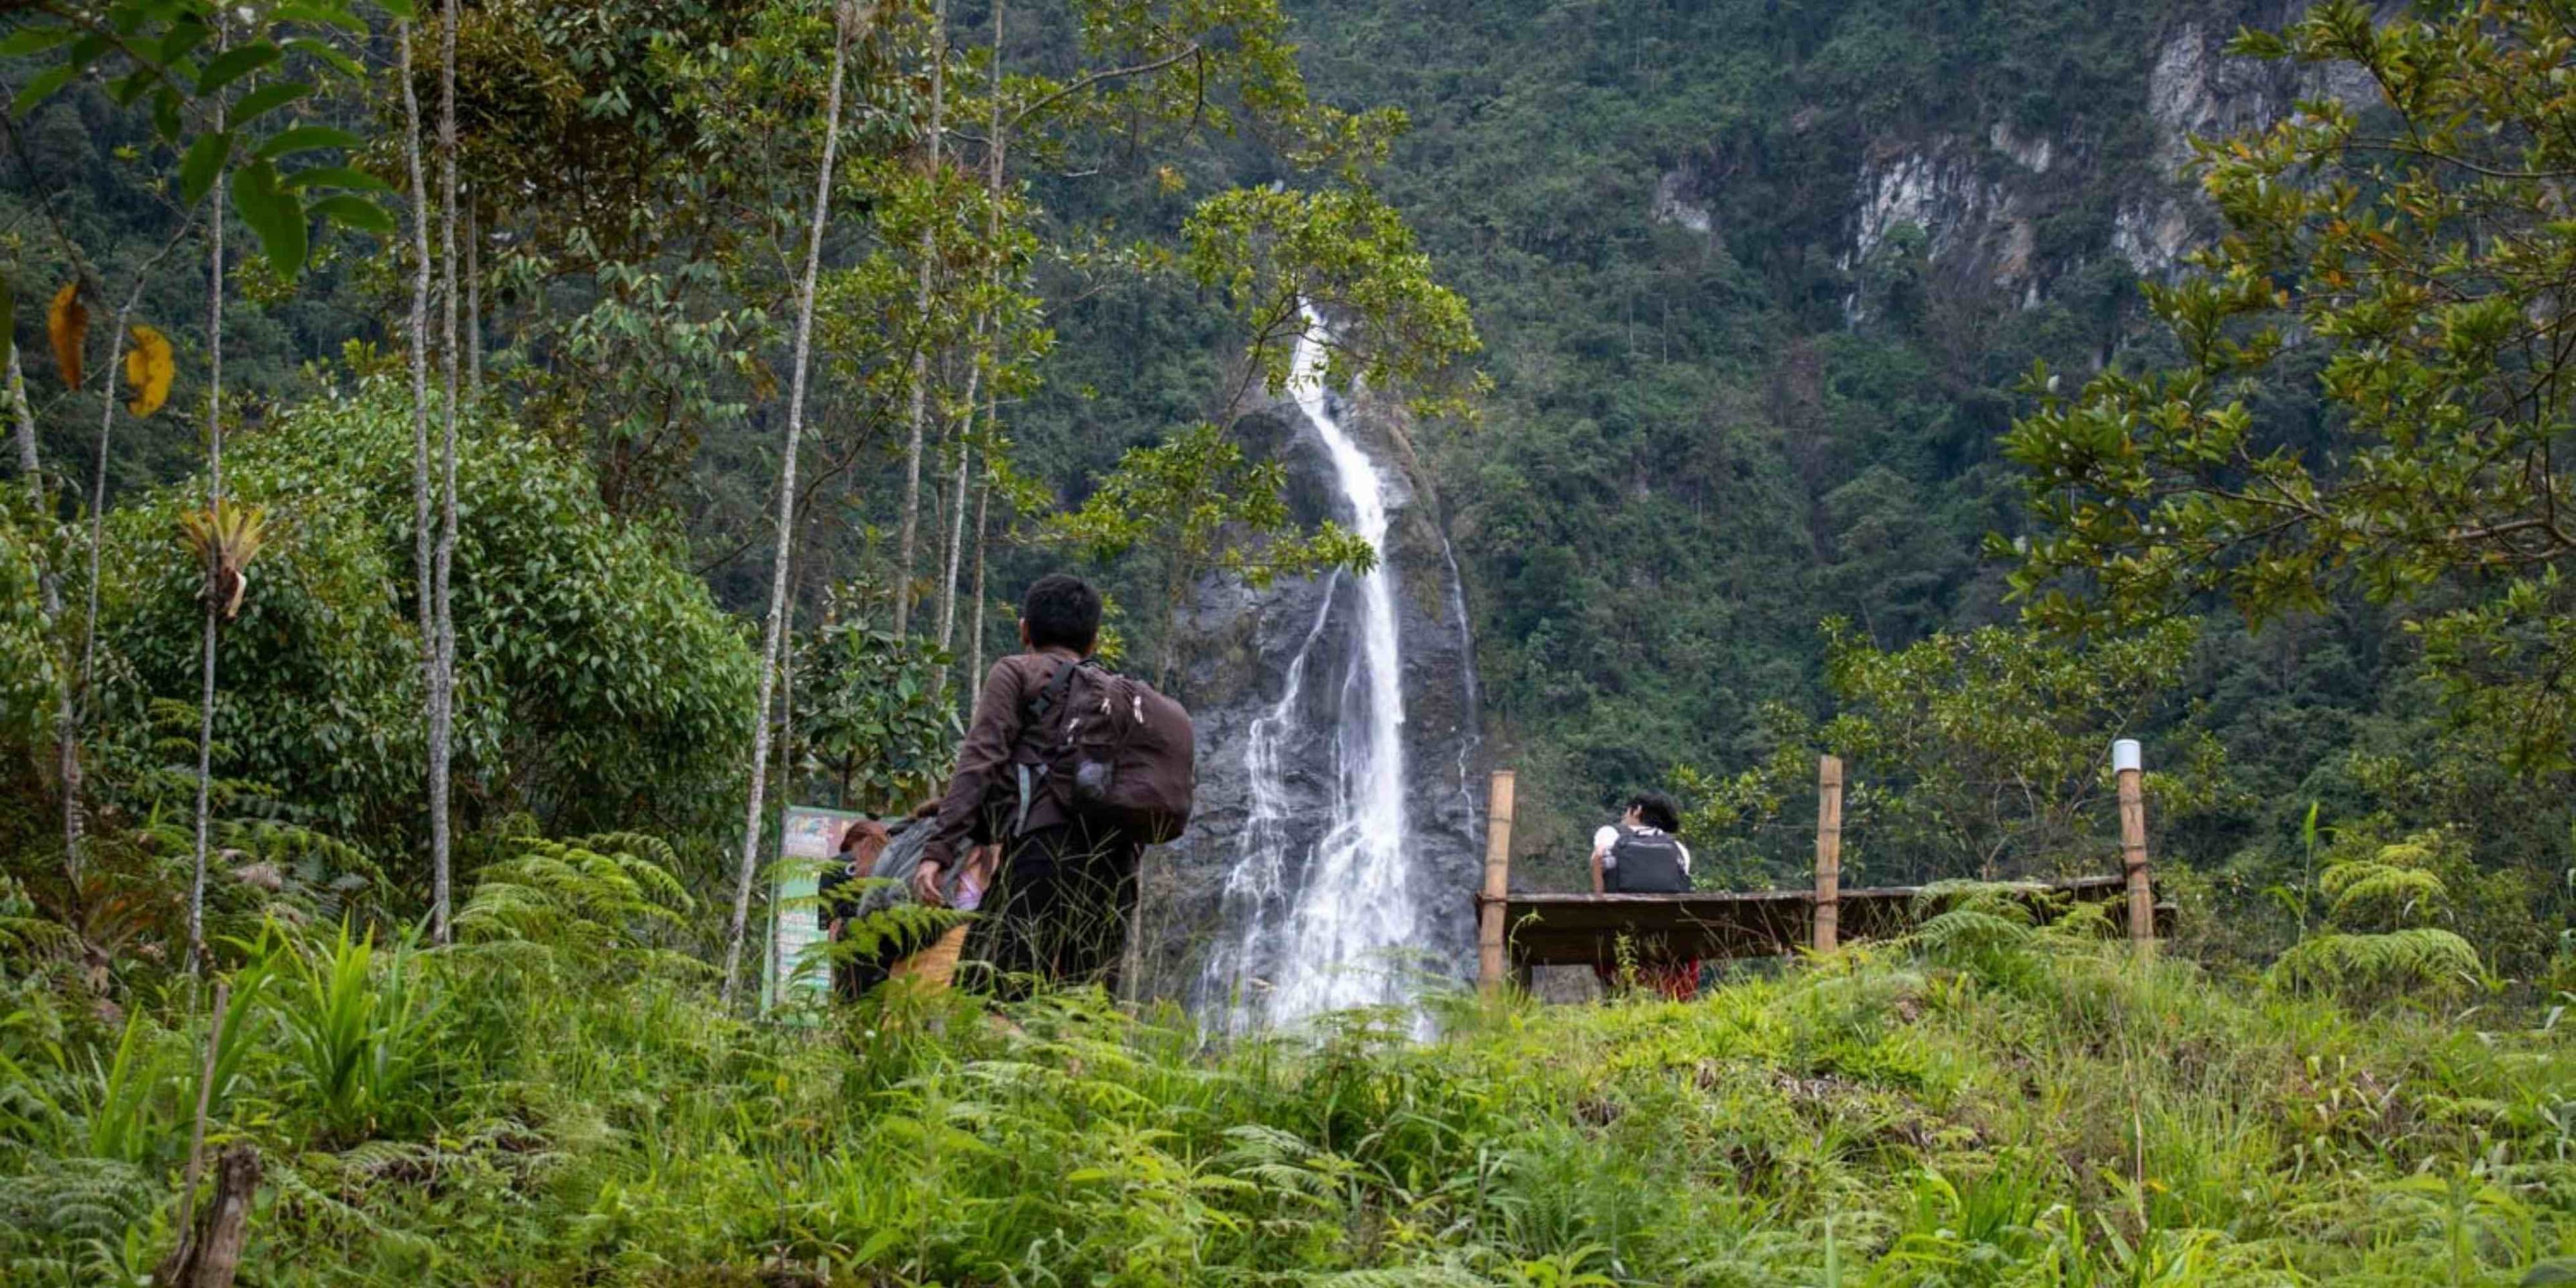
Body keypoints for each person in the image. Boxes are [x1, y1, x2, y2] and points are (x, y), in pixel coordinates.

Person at [914, 574, 1142, 996]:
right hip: (1117, 865)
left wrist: (938, 851)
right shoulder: (1123, 695)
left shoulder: (1018, 672)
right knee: (1085, 1013)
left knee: (991, 990)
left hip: (1042, 855)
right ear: (1094, 641)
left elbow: (979, 762)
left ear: (1024, 630)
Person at [1589, 791, 1702, 1000]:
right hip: (1667, 937)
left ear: (1637, 810)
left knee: (1602, 929)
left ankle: (1617, 991)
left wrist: (1599, 895)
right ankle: (1674, 997)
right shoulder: (1678, 849)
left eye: (1626, 811)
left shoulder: (1610, 833)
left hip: (1618, 930)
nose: (1624, 817)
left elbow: (1598, 855)